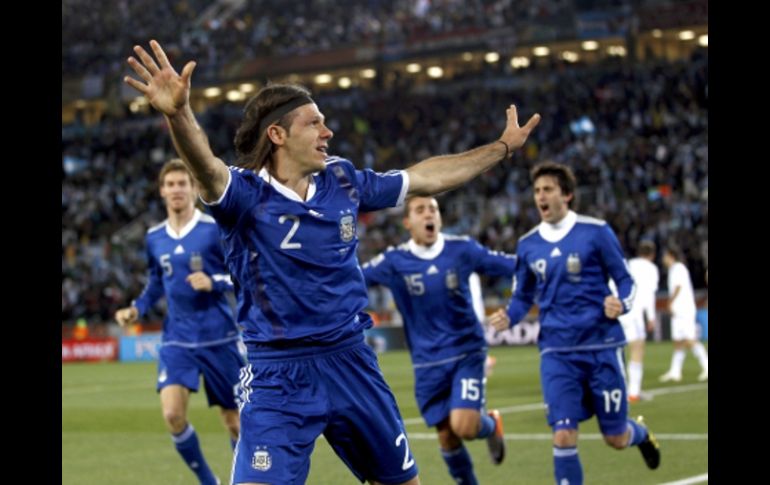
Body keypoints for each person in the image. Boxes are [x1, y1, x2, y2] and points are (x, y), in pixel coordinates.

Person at [124, 39, 540, 485]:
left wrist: (502, 147)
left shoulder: (342, 179)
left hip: (351, 362)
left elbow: (424, 177)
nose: (328, 133)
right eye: (315, 123)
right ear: (277, 135)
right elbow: (206, 168)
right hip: (277, 375)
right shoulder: (244, 195)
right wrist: (179, 115)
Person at [488, 162, 660, 485]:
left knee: (616, 437)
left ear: (566, 195)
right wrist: (509, 316)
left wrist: (621, 303)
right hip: (556, 351)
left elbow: (626, 280)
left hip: (601, 346)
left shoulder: (596, 232)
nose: (541, 196)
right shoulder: (528, 244)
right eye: (537, 191)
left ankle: (641, 434)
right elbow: (523, 295)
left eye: (548, 189)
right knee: (564, 433)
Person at [361, 196, 514, 485]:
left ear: (440, 218)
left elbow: (507, 265)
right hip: (426, 363)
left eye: (433, 209)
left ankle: (490, 425)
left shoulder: (462, 249)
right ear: (408, 223)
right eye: (420, 210)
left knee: (464, 425)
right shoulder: (394, 261)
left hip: (466, 352)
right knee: (447, 436)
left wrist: (542, 267)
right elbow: (355, 279)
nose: (428, 214)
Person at [115, 159, 244, 485]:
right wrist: (137, 308)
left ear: (194, 188)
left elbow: (241, 275)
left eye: (182, 183)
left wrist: (214, 281)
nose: (176, 190)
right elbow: (156, 282)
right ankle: (209, 482)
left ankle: (242, 478)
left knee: (235, 422)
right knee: (172, 414)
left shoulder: (213, 228)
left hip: (219, 337)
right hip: (177, 338)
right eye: (170, 184)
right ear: (162, 191)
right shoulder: (154, 237)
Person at [659, 245, 709, 382]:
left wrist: (670, 302)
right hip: (678, 310)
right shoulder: (673, 269)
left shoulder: (679, 268)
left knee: (690, 340)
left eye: (665, 256)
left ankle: (706, 366)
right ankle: (675, 372)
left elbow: (678, 287)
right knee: (678, 341)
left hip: (685, 309)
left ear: (671, 256)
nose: (663, 258)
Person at [619, 240, 659, 402]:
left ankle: (619, 390)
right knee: (637, 348)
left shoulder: (629, 264)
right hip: (634, 312)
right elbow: (649, 294)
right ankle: (634, 392)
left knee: (618, 351)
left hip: (619, 309)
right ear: (652, 254)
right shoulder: (651, 268)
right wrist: (651, 317)